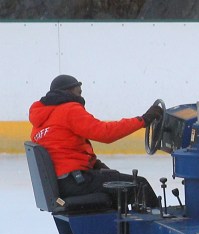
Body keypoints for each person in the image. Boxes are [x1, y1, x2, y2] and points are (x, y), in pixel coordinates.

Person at [29, 74, 161, 209]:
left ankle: (122, 229)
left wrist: (95, 164)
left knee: (115, 182)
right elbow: (105, 133)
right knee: (140, 186)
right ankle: (156, 227)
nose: (81, 97)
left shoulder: (40, 121)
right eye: (78, 92)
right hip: (76, 181)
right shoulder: (69, 109)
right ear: (68, 92)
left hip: (62, 183)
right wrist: (143, 120)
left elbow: (63, 147)